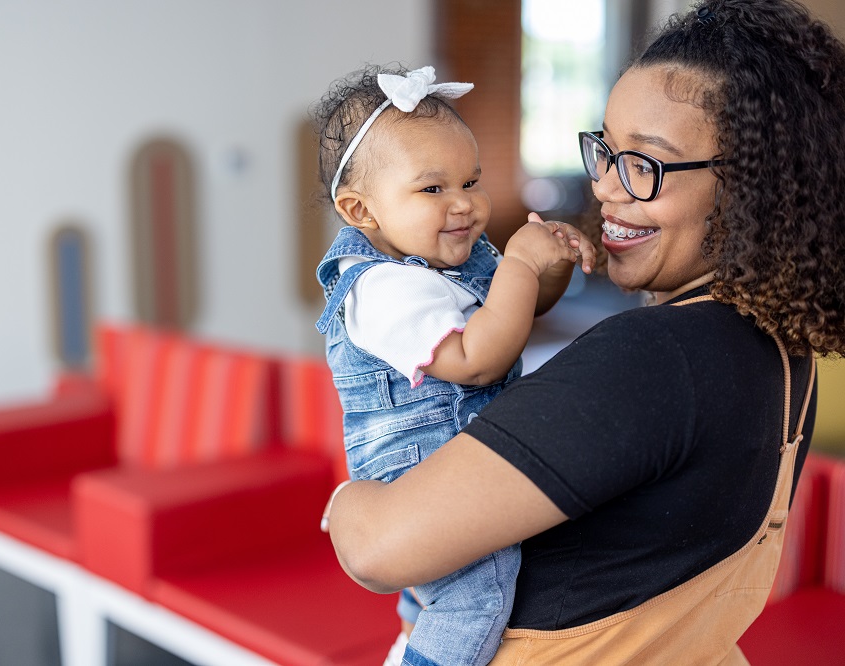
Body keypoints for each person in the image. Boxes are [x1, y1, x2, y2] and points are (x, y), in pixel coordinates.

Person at [321, 1, 845, 664]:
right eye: (606, 152)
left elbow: (378, 550)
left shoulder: (655, 357)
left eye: (645, 165)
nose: (605, 188)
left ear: (754, 189)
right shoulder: (775, 348)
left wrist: (348, 500)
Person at [311, 64, 596, 666]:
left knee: (446, 593)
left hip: (454, 466)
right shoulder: (382, 290)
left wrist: (548, 268)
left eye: (472, 180)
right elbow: (477, 361)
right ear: (361, 210)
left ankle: (413, 638)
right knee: (475, 601)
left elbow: (514, 314)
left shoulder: (446, 258)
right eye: (433, 190)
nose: (464, 204)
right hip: (420, 479)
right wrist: (518, 265)